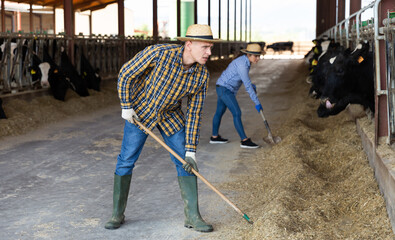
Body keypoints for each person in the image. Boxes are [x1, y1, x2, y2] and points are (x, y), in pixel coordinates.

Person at [104, 24, 219, 232]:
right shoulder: (158, 53)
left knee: (186, 162)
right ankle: (117, 213)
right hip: (140, 113)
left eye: (210, 47)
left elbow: (194, 113)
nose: (209, 53)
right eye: (205, 47)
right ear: (189, 44)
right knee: (126, 160)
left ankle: (193, 215)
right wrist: (126, 106)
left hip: (170, 117)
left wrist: (191, 151)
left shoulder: (201, 76)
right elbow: (126, 74)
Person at [210, 43, 264, 148]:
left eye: (259, 56)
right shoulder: (242, 65)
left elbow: (243, 79)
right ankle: (244, 140)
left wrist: (251, 85)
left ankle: (214, 137)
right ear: (248, 55)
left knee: (219, 112)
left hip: (222, 87)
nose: (258, 58)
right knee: (237, 112)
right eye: (255, 56)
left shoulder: (245, 61)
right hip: (225, 89)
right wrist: (257, 102)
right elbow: (247, 84)